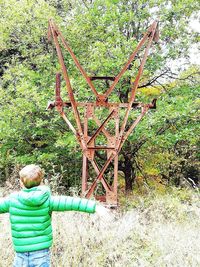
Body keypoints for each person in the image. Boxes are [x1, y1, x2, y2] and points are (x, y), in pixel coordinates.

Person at [0, 164, 107, 267]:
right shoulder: (47, 200)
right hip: (41, 253)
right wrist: (95, 207)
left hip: (20, 255)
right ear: (41, 182)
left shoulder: (12, 200)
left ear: (21, 183)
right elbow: (70, 202)